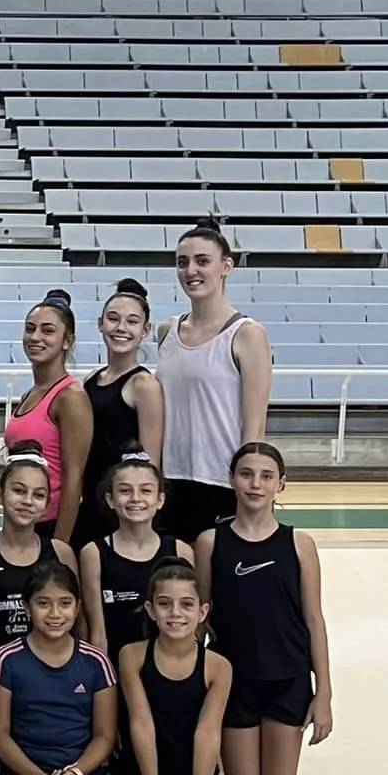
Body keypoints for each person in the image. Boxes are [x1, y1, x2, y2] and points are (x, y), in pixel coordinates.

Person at [195, 442, 333, 775]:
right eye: (246, 474)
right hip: (234, 681)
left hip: (287, 678)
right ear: (231, 480)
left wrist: (324, 695)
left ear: (281, 484)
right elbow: (200, 620)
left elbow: (314, 620)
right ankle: (225, 767)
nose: (256, 484)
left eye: (266, 476)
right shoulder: (210, 543)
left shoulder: (299, 544)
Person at [0, 562, 118, 775]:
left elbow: (104, 736)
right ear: (26, 607)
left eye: (65, 603)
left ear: (77, 607)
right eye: (43, 603)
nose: (55, 614)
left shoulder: (95, 662)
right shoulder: (7, 659)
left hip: (79, 772)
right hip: (23, 772)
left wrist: (74, 773)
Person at [159, 219, 273, 540]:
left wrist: (249, 489)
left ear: (226, 266)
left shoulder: (247, 334)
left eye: (202, 261)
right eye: (183, 263)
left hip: (220, 484)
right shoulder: (167, 331)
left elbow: (255, 429)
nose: (191, 270)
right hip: (169, 482)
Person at [118, 560, 231, 775]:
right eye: (165, 604)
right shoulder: (133, 656)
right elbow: (141, 723)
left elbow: (208, 732)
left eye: (186, 604)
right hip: (141, 773)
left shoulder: (218, 667)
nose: (176, 613)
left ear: (202, 612)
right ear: (151, 610)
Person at [77, 279, 164, 548]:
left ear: (145, 330)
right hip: (90, 501)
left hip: (123, 510)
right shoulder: (91, 379)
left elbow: (151, 463)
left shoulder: (144, 386)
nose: (121, 328)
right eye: (113, 319)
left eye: (132, 321)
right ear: (100, 322)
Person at [5, 289, 92, 549]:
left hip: (49, 527)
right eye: (30, 329)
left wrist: (60, 544)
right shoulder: (29, 394)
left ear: (67, 341)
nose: (35, 337)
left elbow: (74, 476)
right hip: (21, 525)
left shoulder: (70, 397)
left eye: (47, 330)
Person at [79, 454, 187, 657]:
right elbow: (97, 632)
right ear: (110, 499)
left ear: (160, 499)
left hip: (167, 666)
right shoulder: (93, 553)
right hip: (115, 666)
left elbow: (189, 625)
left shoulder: (180, 550)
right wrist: (103, 680)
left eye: (145, 490)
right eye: (125, 491)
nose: (136, 498)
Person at [0, 442, 76, 652]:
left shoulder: (61, 552)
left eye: (38, 495)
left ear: (46, 506)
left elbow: (77, 622)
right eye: (19, 491)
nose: (27, 501)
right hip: (0, 667)